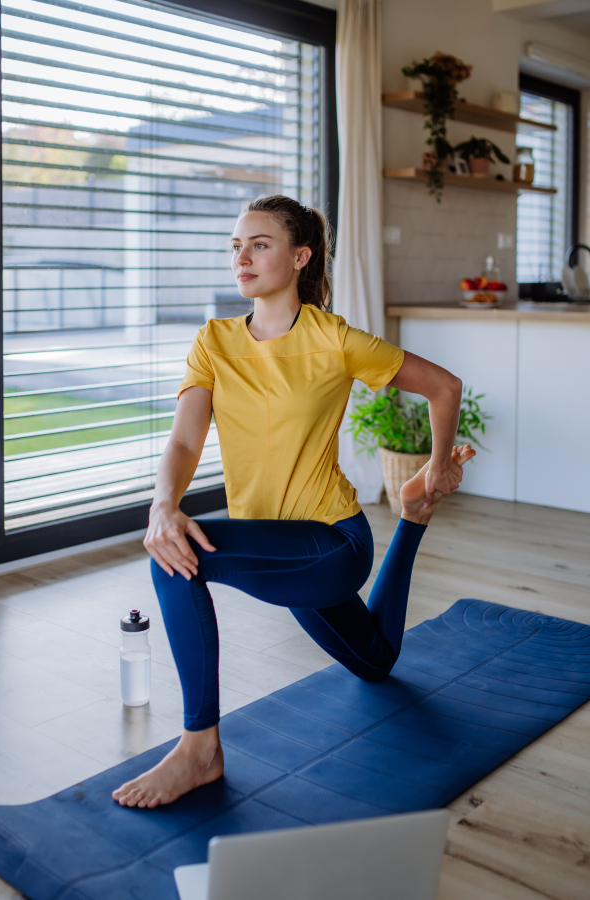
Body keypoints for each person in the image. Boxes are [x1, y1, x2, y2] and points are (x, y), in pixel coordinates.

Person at [112, 195, 475, 809]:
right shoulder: (215, 341)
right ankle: (412, 520)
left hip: (330, 544)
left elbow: (444, 387)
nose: (242, 257)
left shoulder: (333, 338)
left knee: (175, 558)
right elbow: (183, 436)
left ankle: (200, 748)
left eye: (259, 244)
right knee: (377, 663)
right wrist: (162, 503)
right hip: (280, 553)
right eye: (236, 245)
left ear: (300, 256)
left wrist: (439, 465)